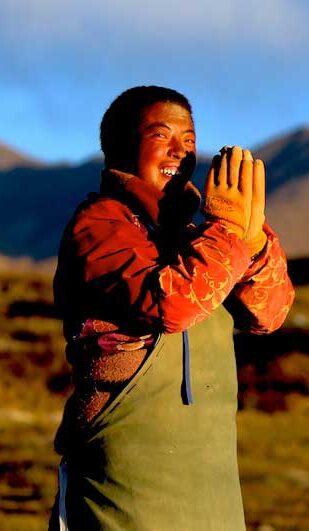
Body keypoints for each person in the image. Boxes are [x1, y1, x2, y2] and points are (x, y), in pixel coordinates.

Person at [49, 86, 294, 530]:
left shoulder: (203, 233)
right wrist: (229, 233)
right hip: (122, 487)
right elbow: (173, 303)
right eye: (161, 135)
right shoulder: (100, 226)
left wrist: (254, 241)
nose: (180, 150)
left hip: (213, 489)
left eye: (189, 139)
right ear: (122, 144)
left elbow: (269, 314)